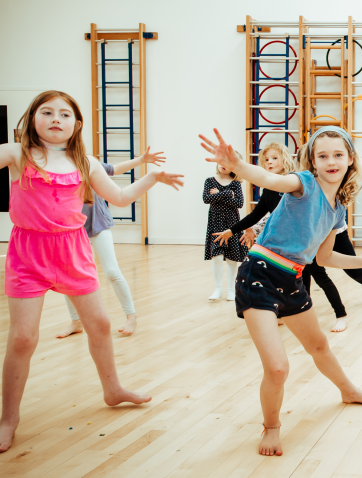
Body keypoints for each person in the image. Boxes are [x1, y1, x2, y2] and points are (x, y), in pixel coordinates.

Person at [0, 91, 183, 452]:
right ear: (32, 119)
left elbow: (119, 197)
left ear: (77, 123)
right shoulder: (16, 154)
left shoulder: (87, 162)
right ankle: (8, 417)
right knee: (23, 338)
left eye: (65, 114)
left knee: (99, 324)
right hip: (29, 252)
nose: (56, 119)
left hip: (72, 250)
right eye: (47, 112)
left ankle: (113, 390)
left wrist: (152, 177)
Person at [200, 126, 362, 456]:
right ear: (312, 161)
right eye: (323, 156)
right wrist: (238, 166)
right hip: (258, 274)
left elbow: (325, 257)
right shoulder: (302, 183)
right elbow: (269, 180)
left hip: (292, 280)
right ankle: (271, 427)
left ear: (349, 160)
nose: (330, 161)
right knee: (277, 367)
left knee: (319, 345)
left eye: (337, 154)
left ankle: (348, 390)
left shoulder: (337, 209)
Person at [57, 147, 166, 338]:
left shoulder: (88, 162)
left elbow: (115, 169)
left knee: (112, 271)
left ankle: (131, 317)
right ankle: (75, 322)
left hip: (97, 224)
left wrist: (142, 159)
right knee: (67, 275)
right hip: (71, 228)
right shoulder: (54, 168)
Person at [204, 160, 246, 300]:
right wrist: (228, 194)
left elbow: (239, 203)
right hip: (215, 223)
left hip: (232, 224)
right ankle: (218, 289)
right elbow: (206, 198)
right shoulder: (209, 181)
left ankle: (230, 290)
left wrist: (219, 194)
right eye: (222, 162)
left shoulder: (235, 184)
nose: (224, 166)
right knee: (216, 256)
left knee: (232, 259)